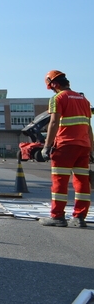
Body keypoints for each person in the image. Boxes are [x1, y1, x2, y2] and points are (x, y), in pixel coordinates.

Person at [39, 70, 93, 228]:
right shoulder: (84, 100)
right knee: (82, 182)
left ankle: (57, 217)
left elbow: (54, 123)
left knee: (60, 181)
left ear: (54, 84)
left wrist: (47, 146)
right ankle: (79, 217)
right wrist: (92, 149)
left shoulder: (57, 98)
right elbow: (89, 128)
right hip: (83, 146)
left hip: (65, 146)